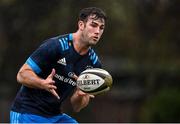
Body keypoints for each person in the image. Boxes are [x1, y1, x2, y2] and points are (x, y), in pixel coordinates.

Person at [10, 7, 106, 123]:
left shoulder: (94, 64)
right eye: (93, 25)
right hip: (27, 113)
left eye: (101, 28)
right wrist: (42, 83)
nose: (97, 31)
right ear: (81, 25)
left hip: (55, 116)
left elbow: (77, 107)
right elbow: (21, 75)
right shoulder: (56, 46)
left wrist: (81, 94)